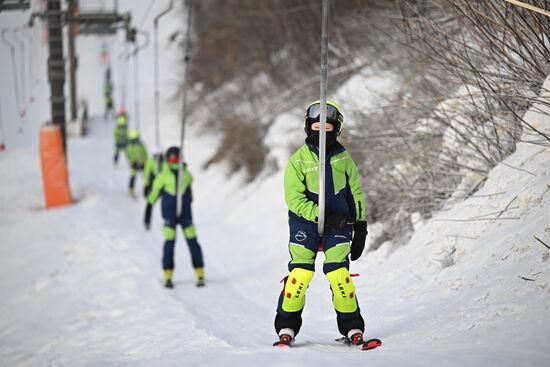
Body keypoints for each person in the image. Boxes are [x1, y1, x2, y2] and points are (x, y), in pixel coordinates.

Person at [273, 101, 369, 347]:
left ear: (335, 130)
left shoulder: (343, 159)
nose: (321, 131)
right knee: (300, 275)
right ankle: (286, 326)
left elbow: (356, 194)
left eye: (327, 127)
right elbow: (294, 199)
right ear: (308, 127)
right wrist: (321, 216)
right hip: (305, 224)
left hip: (340, 224)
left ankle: (352, 327)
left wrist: (360, 227)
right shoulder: (299, 160)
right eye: (317, 126)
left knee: (339, 275)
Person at [143, 146, 205, 288]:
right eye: (172, 159)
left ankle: (200, 271)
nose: (175, 161)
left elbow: (190, 192)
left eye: (177, 158)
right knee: (169, 244)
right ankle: (168, 274)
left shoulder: (186, 174)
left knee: (192, 242)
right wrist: (147, 215)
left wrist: (187, 201)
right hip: (169, 215)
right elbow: (152, 197)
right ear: (167, 160)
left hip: (185, 215)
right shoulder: (163, 176)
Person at [125, 130, 148, 197]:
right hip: (134, 164)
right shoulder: (129, 147)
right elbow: (128, 156)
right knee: (133, 176)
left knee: (146, 177)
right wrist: (132, 162)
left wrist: (144, 161)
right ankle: (131, 189)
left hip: (142, 163)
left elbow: (145, 154)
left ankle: (147, 190)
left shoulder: (141, 145)